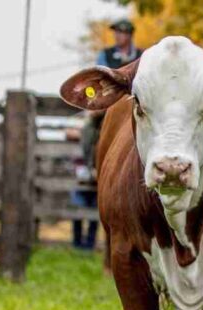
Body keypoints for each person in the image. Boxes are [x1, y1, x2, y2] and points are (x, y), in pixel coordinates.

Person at [72, 19, 143, 250]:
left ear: (129, 34)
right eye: (116, 33)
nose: (118, 37)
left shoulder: (141, 55)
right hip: (111, 103)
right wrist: (100, 105)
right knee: (89, 126)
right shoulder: (106, 55)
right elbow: (102, 79)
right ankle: (91, 165)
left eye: (122, 33)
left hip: (134, 104)